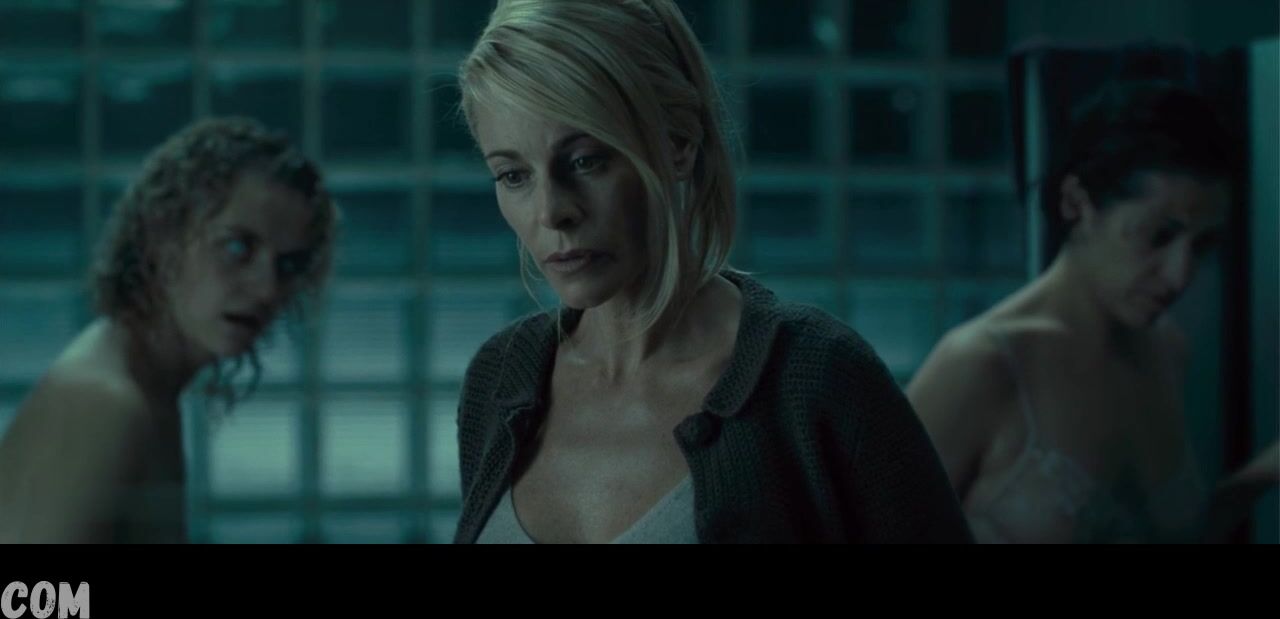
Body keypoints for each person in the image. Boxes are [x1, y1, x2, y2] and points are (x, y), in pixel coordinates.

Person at [452, 0, 972, 543]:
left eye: (586, 161)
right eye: (513, 176)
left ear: (679, 143)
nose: (551, 212)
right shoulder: (499, 379)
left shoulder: (818, 378)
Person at [907, 81, 1278, 543]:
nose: (1180, 274)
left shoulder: (1166, 347)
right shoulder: (982, 363)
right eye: (1158, 236)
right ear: (1076, 204)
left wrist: (1265, 472)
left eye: (1202, 245)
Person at [0, 117, 338, 543]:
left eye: (288, 265)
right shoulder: (106, 403)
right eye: (237, 246)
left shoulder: (143, 387)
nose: (267, 288)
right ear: (162, 237)